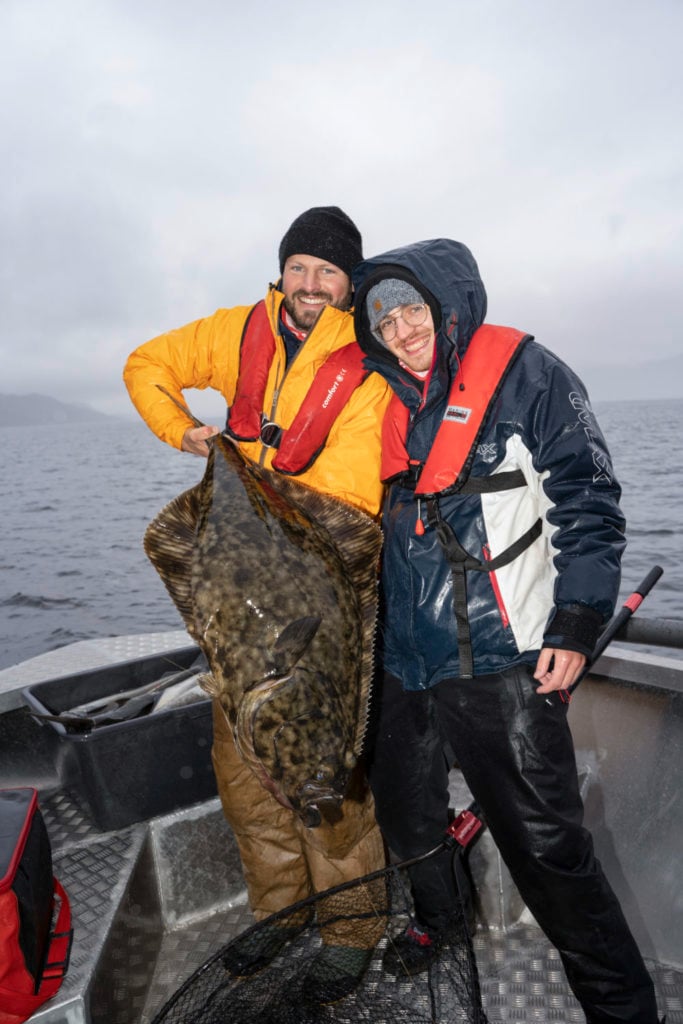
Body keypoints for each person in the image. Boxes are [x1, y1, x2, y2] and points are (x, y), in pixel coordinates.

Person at [351, 238, 662, 1023]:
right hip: (399, 661)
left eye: (411, 308)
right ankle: (441, 938)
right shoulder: (375, 401)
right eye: (382, 319)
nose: (401, 330)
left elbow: (589, 503)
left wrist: (578, 619)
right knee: (410, 822)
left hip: (500, 656)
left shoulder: (530, 374)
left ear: (445, 304)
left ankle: (622, 1009)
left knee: (548, 851)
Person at [124, 207, 391, 1003]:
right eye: (299, 267)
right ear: (284, 271)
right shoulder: (237, 329)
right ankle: (278, 913)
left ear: (350, 282)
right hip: (241, 593)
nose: (310, 285)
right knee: (243, 772)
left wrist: (255, 478)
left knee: (322, 771)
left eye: (328, 272)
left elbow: (351, 485)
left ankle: (350, 926)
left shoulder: (367, 357)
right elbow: (146, 364)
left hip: (317, 585)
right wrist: (186, 437)